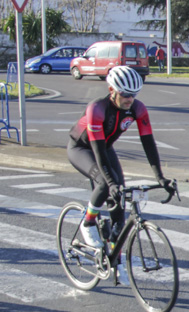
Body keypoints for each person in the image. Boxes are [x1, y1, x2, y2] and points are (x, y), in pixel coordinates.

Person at [67, 66, 174, 249]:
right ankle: (88, 222)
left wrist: (160, 177)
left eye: (134, 94)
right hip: (83, 148)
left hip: (105, 147)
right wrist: (110, 183)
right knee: (105, 183)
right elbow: (98, 151)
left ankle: (114, 258)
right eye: (125, 94)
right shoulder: (97, 109)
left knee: (119, 203)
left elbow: (148, 143)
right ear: (112, 90)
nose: (130, 99)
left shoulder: (138, 108)